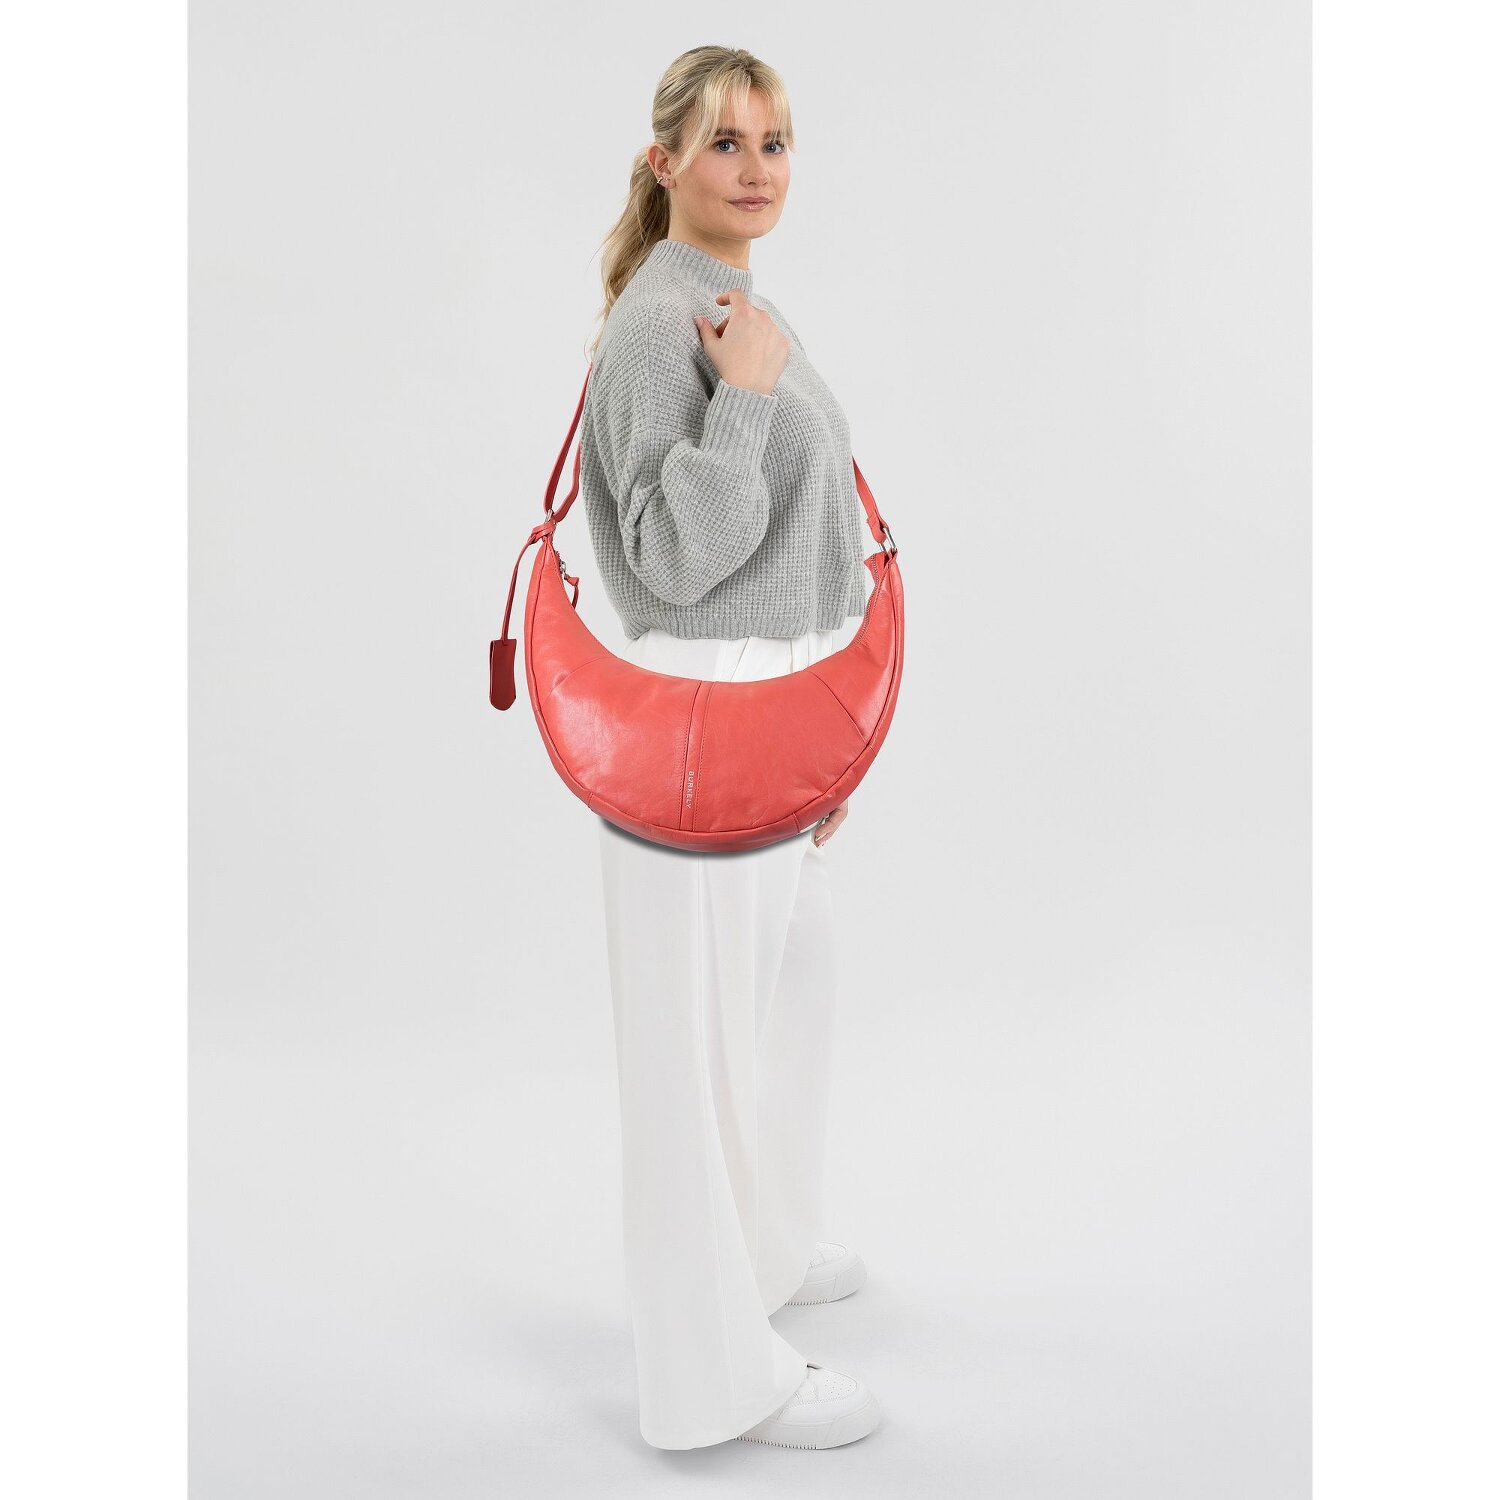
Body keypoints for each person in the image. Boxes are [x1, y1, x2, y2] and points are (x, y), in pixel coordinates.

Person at [578, 45, 882, 1453]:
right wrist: (747, 397)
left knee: (793, 983)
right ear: (665, 163)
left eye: (774, 142)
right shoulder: (662, 325)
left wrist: (823, 733)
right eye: (723, 143)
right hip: (701, 707)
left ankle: (764, 1247)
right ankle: (712, 1380)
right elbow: (665, 562)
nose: (756, 169)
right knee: (692, 1052)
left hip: (767, 700)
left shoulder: (736, 298)